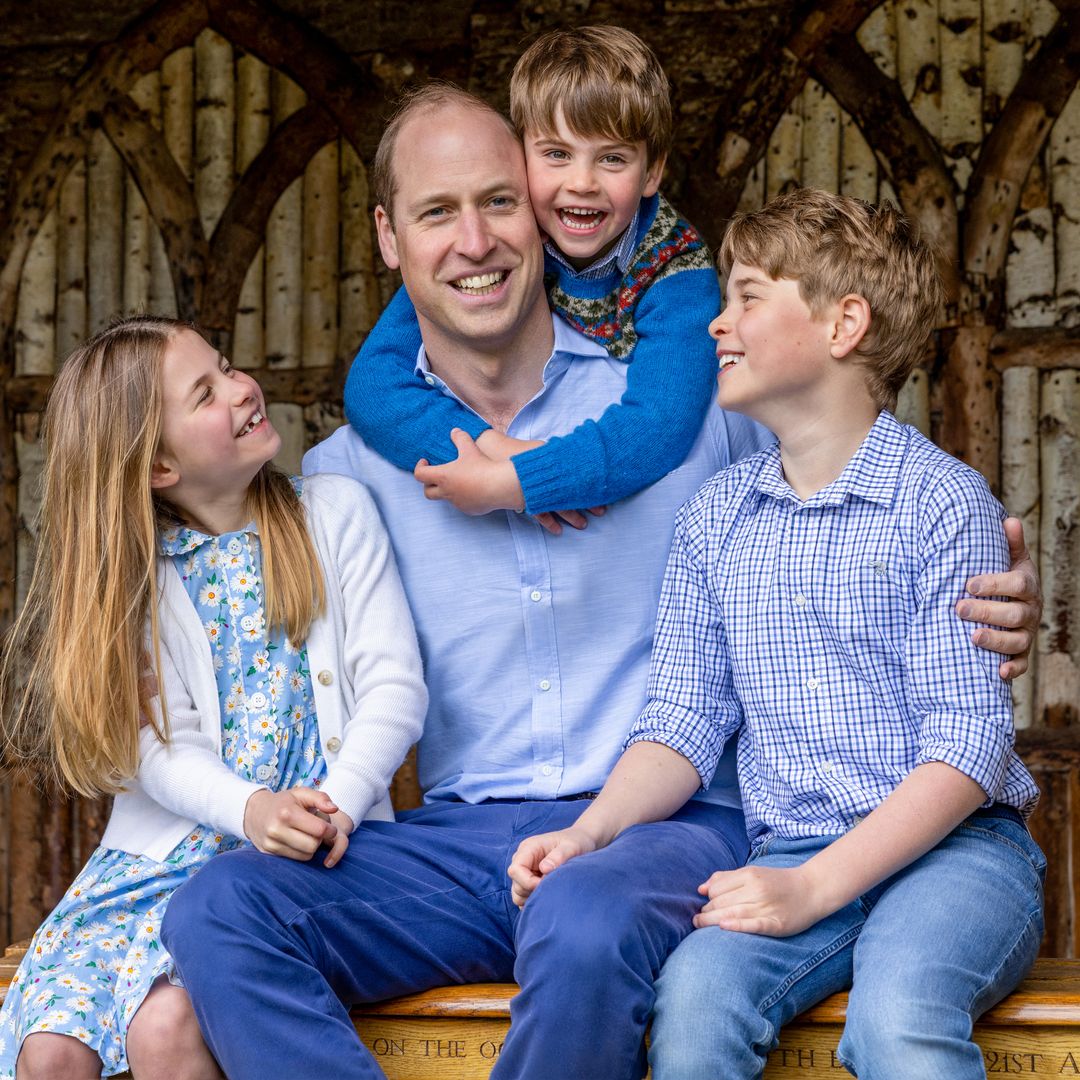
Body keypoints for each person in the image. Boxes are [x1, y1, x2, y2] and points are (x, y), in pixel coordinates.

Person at [161, 90, 1040, 1080]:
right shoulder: (342, 476)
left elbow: (852, 490)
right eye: (437, 212)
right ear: (389, 237)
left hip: (675, 829)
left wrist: (1000, 588)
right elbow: (203, 571)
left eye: (499, 201)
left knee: (584, 918)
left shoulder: (690, 411)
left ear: (541, 214)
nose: (476, 240)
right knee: (221, 909)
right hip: (462, 844)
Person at [507, 189, 1046, 1080]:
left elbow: (969, 743)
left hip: (959, 857)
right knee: (694, 1008)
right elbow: (682, 721)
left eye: (749, 297)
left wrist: (814, 889)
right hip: (792, 849)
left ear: (844, 324)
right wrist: (589, 832)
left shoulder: (941, 503)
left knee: (898, 1016)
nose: (719, 323)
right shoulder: (716, 518)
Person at [0, 316, 426, 1079]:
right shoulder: (136, 581)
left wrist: (337, 804)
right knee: (50, 1053)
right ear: (160, 465)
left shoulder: (334, 515)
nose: (241, 389)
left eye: (227, 367)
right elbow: (158, 750)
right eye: (206, 392)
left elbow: (394, 687)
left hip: (312, 856)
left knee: (165, 1031)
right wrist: (250, 810)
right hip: (157, 867)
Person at [344, 27, 720, 527]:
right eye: (557, 154)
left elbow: (661, 425)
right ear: (522, 158)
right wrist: (486, 447)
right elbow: (372, 385)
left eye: (611, 158)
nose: (581, 183)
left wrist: (524, 480)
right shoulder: (518, 237)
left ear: (651, 174)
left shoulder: (678, 270)